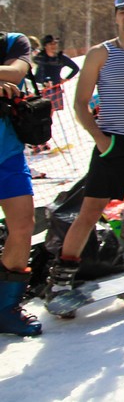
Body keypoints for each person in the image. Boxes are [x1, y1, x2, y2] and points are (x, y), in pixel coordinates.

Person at [45, 0, 124, 312]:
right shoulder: (100, 53)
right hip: (114, 141)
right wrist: (101, 140)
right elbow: (80, 102)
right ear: (115, 17)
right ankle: (61, 278)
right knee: (90, 211)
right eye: (123, 11)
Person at [0, 30, 42, 336]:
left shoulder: (14, 42)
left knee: (23, 226)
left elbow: (16, 71)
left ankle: (6, 309)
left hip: (8, 154)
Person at [33, 34, 79, 111]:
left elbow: (75, 68)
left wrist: (66, 79)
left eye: (55, 43)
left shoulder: (61, 58)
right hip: (40, 88)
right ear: (45, 46)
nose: (53, 46)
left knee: (51, 111)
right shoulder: (39, 57)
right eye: (51, 44)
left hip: (54, 88)